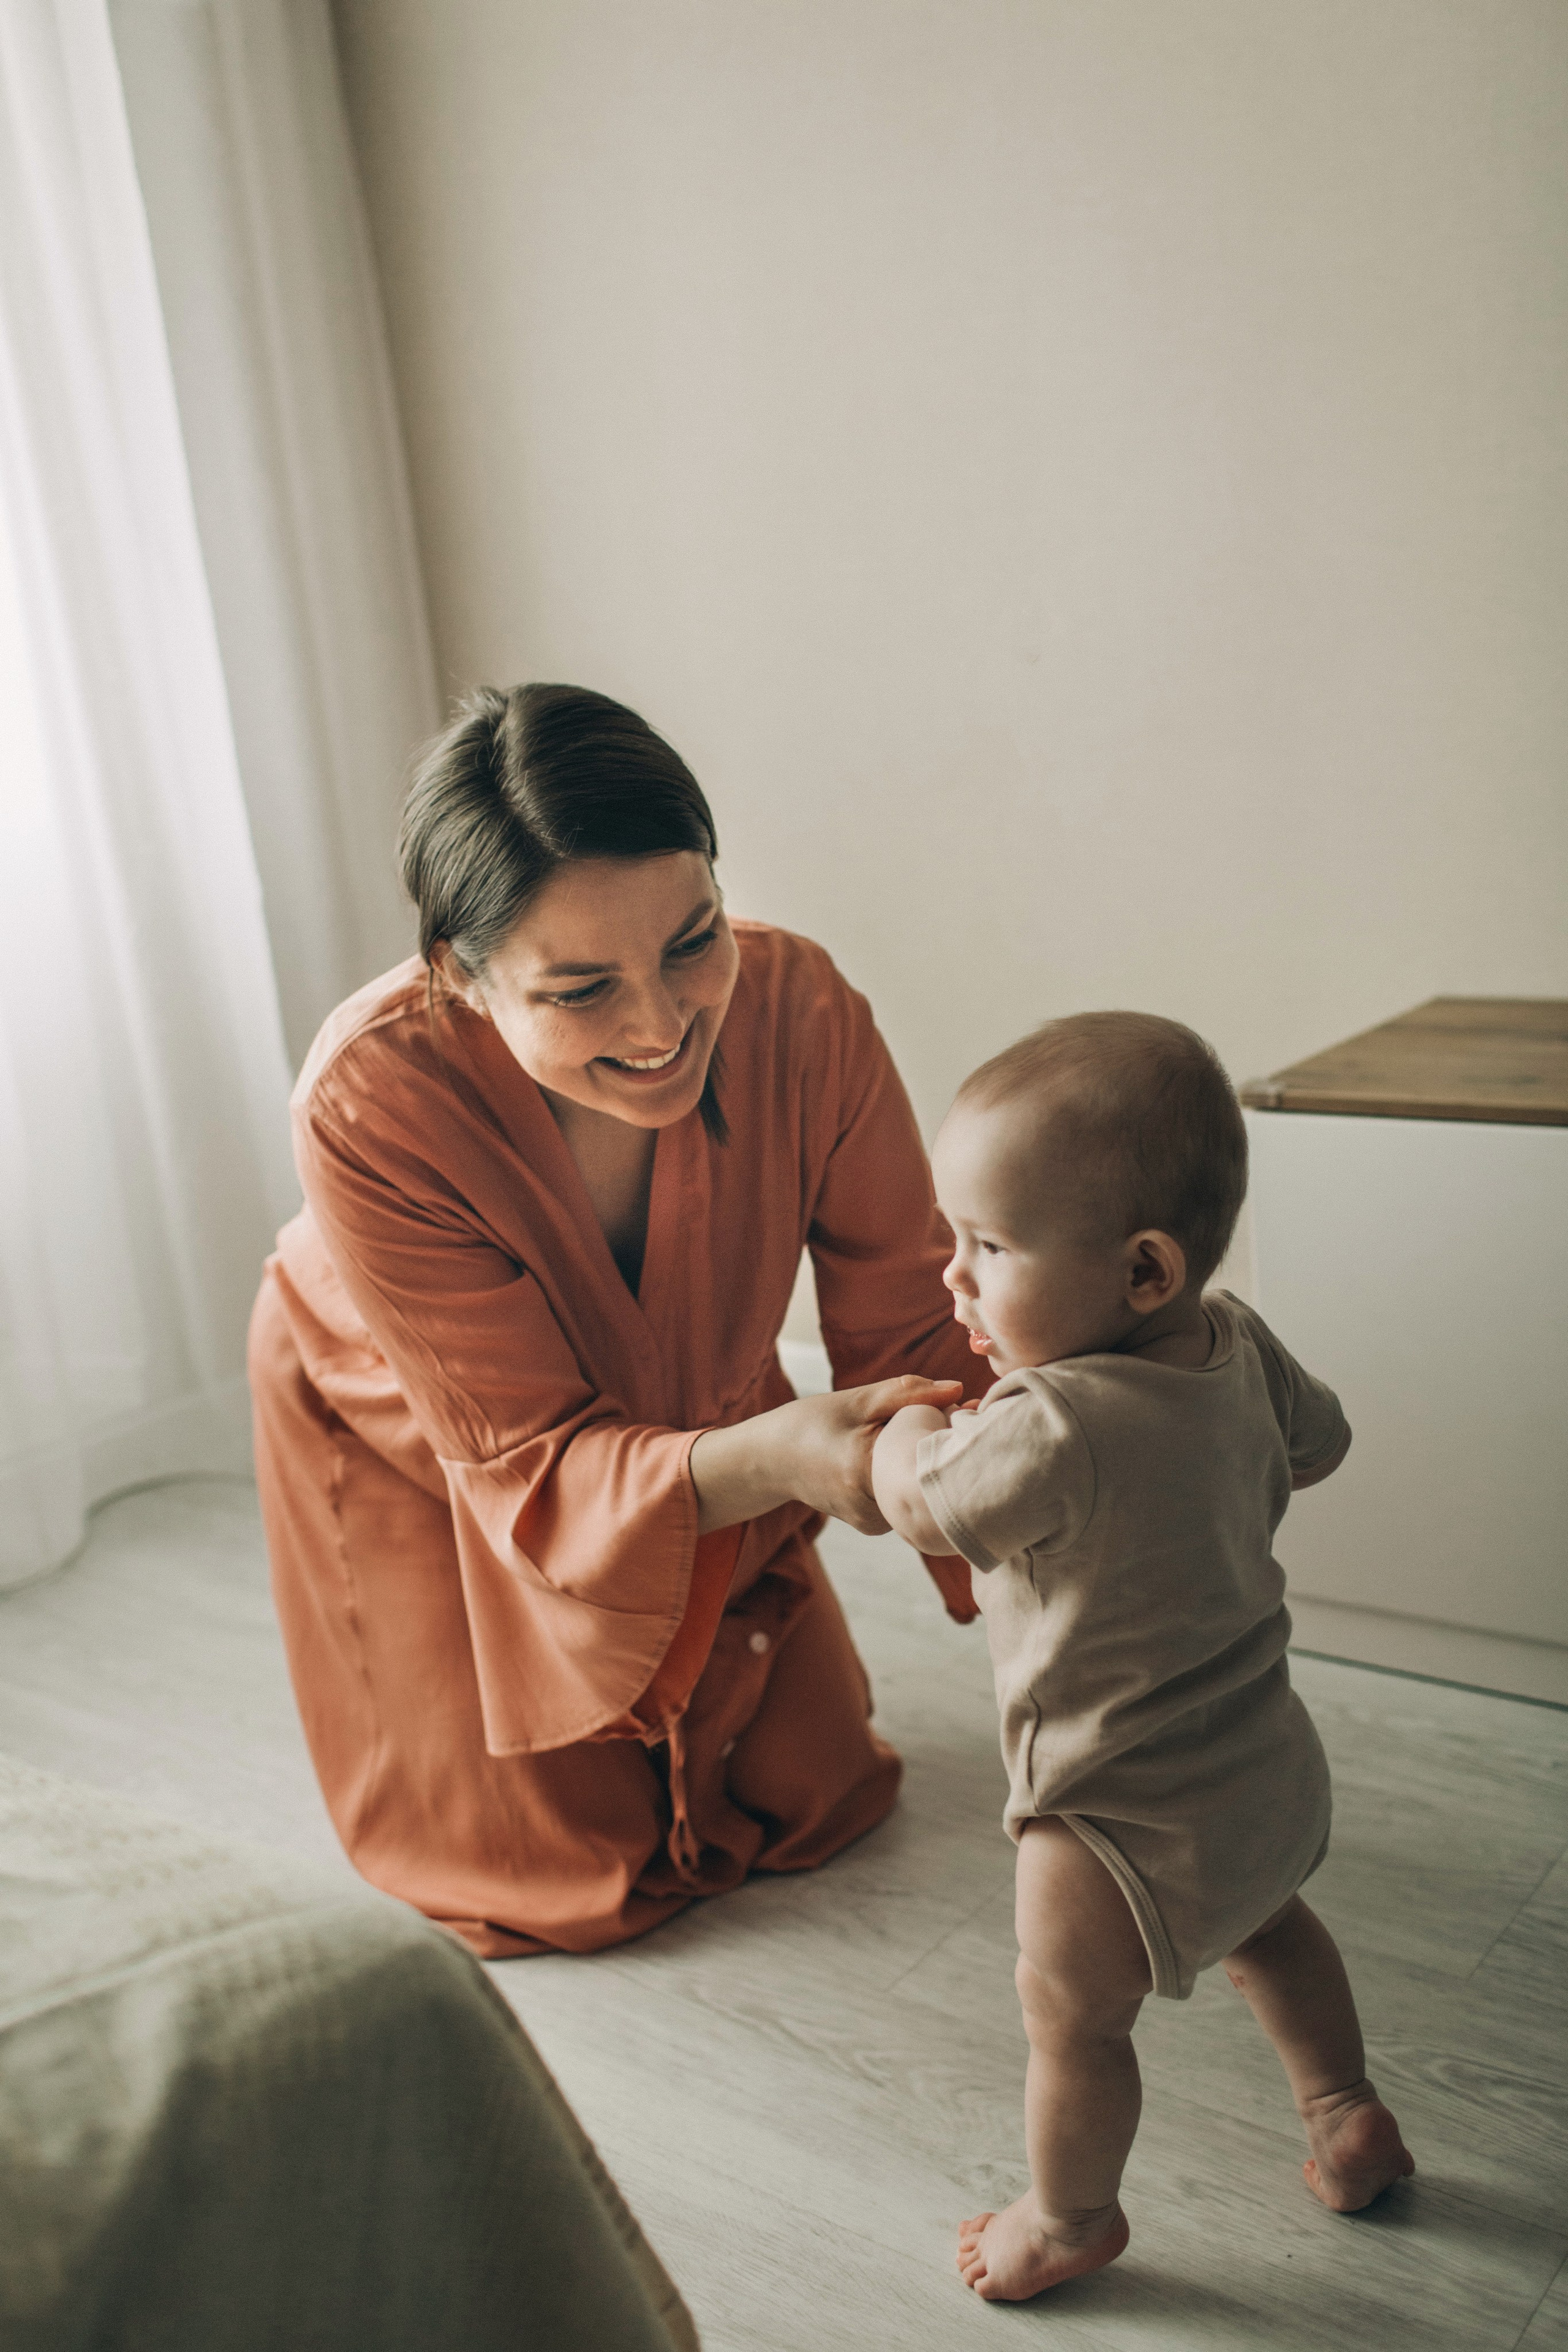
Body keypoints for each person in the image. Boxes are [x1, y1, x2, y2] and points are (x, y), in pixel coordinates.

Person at [248, 682, 987, 1958]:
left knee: (815, 1796)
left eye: (692, 940)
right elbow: (526, 1456)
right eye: (580, 991)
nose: (660, 1026)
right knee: (568, 1883)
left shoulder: (801, 1009)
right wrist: (780, 1456)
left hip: (680, 1405)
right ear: (460, 980)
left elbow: (908, 1313)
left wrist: (1024, 1495)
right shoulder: (367, 1101)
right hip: (429, 1422)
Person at [870, 1011, 1414, 2302]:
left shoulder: (1049, 1422)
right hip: (1260, 1757)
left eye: (989, 1247)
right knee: (1269, 1928)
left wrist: (893, 1434)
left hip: (1104, 1808)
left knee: (1070, 2020)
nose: (954, 1277)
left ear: (1142, 1272)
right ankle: (1339, 2111)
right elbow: (1317, 1444)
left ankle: (1067, 2218)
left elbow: (928, 1510)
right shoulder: (1234, 1343)